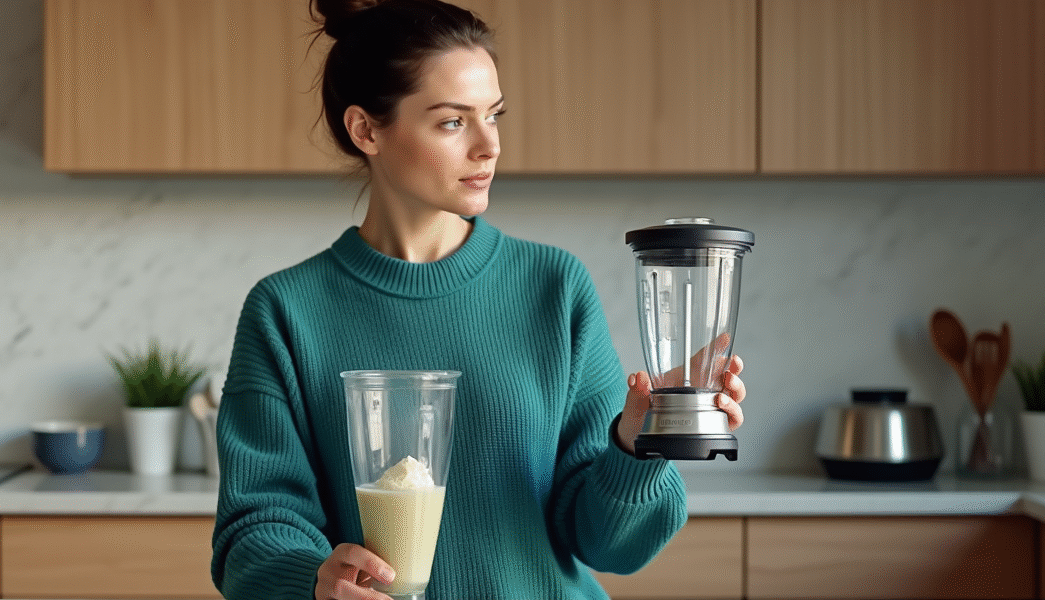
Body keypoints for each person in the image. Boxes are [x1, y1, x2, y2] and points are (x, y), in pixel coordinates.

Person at [210, 1, 747, 598]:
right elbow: (253, 530)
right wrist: (314, 581)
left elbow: (610, 547)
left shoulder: (554, 287)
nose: (489, 145)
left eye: (494, 115)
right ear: (366, 130)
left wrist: (636, 443)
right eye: (452, 122)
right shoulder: (286, 311)